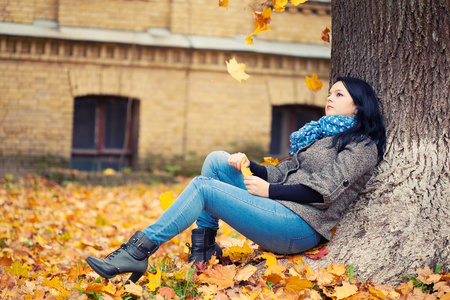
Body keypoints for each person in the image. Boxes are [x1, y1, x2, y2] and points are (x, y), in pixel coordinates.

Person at [86, 77, 386, 283]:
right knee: (217, 159)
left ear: (358, 105)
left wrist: (270, 191)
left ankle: (137, 251)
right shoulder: (322, 136)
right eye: (329, 93)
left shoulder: (362, 145)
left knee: (203, 188)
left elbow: (325, 192)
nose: (329, 99)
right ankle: (203, 252)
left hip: (301, 226)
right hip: (279, 211)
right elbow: (282, 172)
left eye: (338, 94)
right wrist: (248, 164)